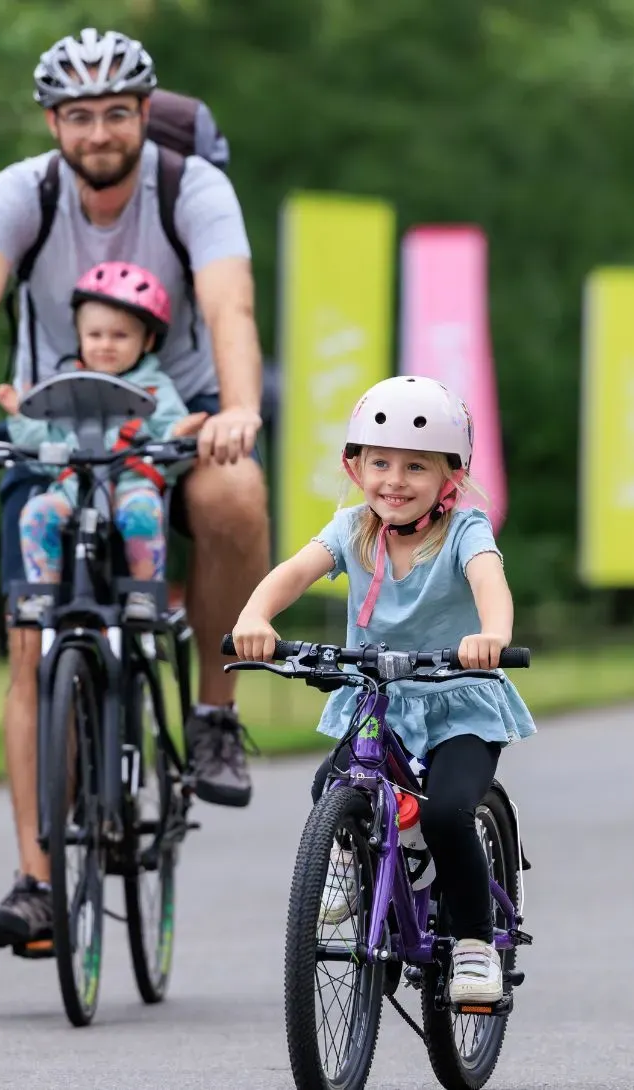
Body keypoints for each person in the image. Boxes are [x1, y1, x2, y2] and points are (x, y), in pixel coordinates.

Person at [0, 27, 270, 949]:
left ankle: (215, 715)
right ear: (53, 122)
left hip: (170, 420)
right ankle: (36, 881)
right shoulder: (20, 194)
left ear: (145, 115)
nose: (100, 131)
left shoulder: (193, 189)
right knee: (33, 648)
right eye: (81, 115)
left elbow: (229, 304)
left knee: (236, 496)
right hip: (51, 428)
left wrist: (234, 410)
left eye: (117, 112)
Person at [230, 376, 536, 1005]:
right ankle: (350, 872)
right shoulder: (352, 530)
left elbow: (489, 584)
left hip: (460, 704)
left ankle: (475, 945)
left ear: (449, 475)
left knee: (450, 811)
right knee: (332, 787)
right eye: (379, 462)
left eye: (415, 467)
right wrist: (256, 618)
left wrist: (493, 635)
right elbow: (292, 573)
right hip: (380, 702)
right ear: (356, 465)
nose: (393, 480)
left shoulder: (464, 531)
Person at [0, 261, 207, 630]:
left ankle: (143, 593)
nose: (106, 344)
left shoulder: (156, 389)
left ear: (148, 340)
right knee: (36, 512)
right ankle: (40, 593)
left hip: (131, 486)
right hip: (72, 487)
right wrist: (22, 416)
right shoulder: (65, 387)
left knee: (144, 510)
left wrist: (179, 436)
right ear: (79, 336)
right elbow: (46, 444)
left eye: (120, 336)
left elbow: (170, 447)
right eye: (95, 335)